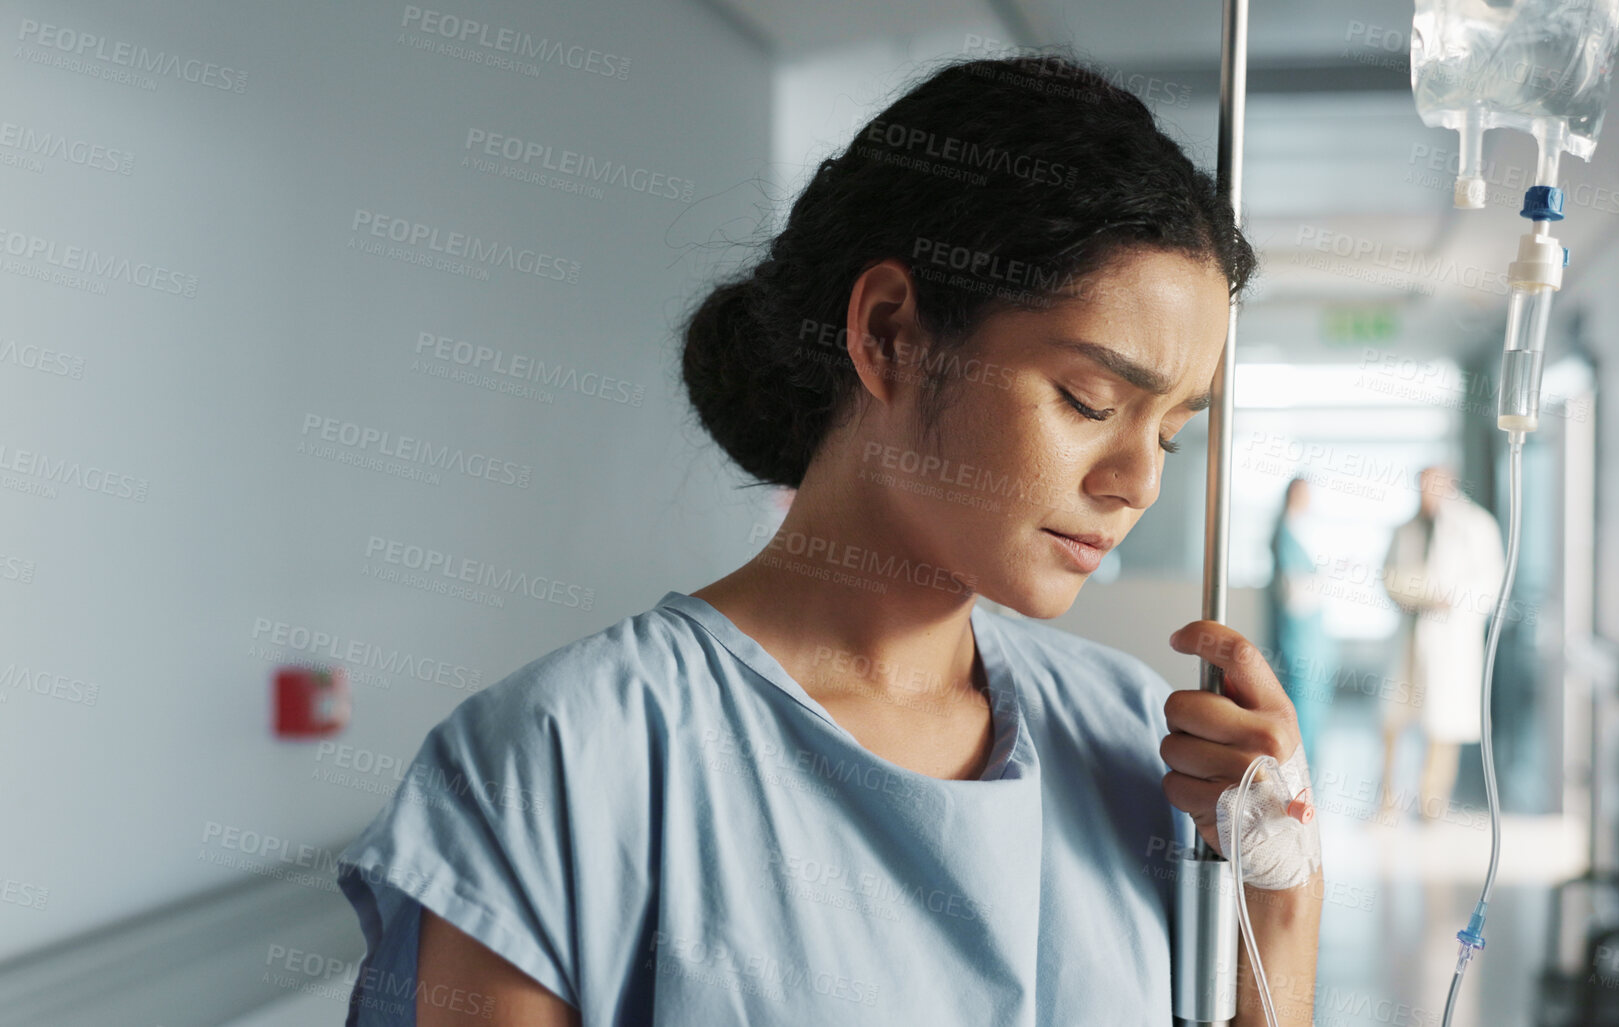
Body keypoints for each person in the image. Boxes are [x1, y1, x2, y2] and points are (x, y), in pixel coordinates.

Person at [333, 49, 1322, 1027]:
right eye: (1088, 398)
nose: (1138, 481)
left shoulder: (1142, 745)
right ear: (891, 333)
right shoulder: (560, 760)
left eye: (1173, 433)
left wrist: (1276, 903)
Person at [1378, 465, 1506, 821]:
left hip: (1450, 639)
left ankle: (1431, 802)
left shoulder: (1475, 527)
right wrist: (1415, 592)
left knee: (1442, 724)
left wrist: (1448, 596)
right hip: (1409, 635)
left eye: (1433, 487)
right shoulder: (1406, 529)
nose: (1426, 495)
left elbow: (1489, 584)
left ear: (1449, 485)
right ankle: (1387, 799)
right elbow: (1388, 577)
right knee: (1393, 719)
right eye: (1421, 487)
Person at [1267, 476, 1337, 769]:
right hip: (1298, 641)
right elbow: (1294, 596)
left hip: (1309, 640)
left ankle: (1306, 783)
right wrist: (1324, 579)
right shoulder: (1284, 536)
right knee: (1300, 713)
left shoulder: (1297, 533)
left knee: (1311, 712)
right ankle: (1299, 782)